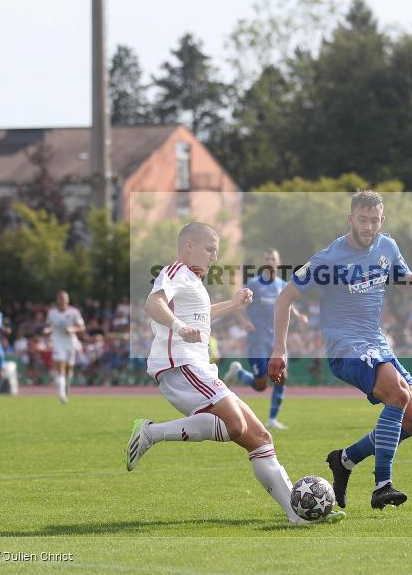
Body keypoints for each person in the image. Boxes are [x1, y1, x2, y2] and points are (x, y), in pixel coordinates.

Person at [125, 222, 343, 526]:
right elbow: (154, 302)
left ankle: (297, 516)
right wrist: (178, 327)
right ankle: (152, 432)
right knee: (238, 425)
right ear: (189, 246)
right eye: (210, 249)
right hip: (181, 365)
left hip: (198, 366)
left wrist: (233, 304)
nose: (215, 256)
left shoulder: (194, 280)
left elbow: (201, 314)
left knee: (260, 438)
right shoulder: (174, 270)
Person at [269, 191, 412, 511]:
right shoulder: (329, 258)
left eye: (375, 220)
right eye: (362, 219)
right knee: (399, 396)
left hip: (376, 343)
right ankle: (382, 484)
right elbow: (284, 298)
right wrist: (280, 349)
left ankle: (344, 460)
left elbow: (410, 279)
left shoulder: (387, 246)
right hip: (345, 347)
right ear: (351, 219)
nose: (369, 226)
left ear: (382, 221)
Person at [225, 248, 309, 430]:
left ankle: (272, 419)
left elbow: (287, 304)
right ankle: (238, 372)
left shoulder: (281, 285)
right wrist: (244, 322)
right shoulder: (254, 284)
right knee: (261, 385)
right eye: (267, 258)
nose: (270, 261)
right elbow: (237, 305)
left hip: (277, 339)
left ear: (278, 263)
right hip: (258, 340)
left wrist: (298, 316)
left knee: (282, 377)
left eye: (273, 259)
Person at [43, 290, 85, 404]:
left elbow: (82, 327)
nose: (62, 301)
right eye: (60, 299)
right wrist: (47, 330)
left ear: (68, 300)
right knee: (60, 367)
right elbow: (50, 325)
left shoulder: (74, 312)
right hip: (57, 341)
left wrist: (73, 329)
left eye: (64, 299)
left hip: (70, 342)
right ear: (57, 300)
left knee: (68, 370)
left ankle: (66, 389)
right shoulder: (51, 313)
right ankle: (61, 395)